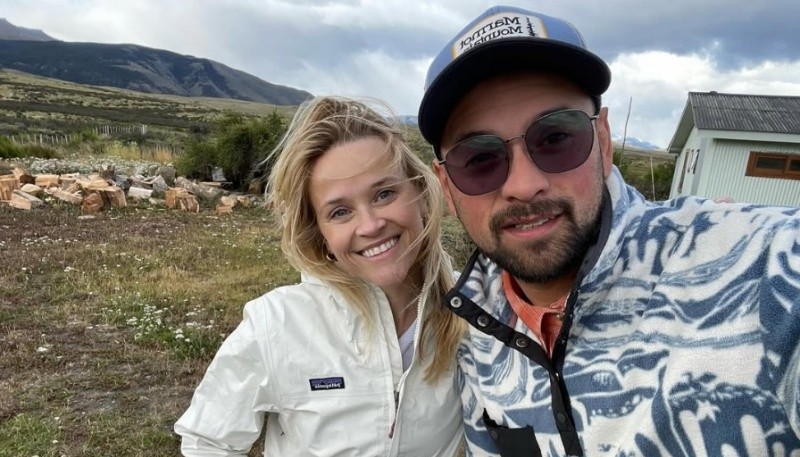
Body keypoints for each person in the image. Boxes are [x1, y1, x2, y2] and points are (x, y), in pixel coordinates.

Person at [417, 5, 800, 456]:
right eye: (479, 159)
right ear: (446, 184)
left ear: (602, 139)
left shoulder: (764, 268)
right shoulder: (473, 335)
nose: (523, 185)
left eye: (556, 137)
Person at [174, 96, 465, 456]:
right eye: (340, 212)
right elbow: (207, 442)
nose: (371, 225)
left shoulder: (475, 312)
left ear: (420, 194)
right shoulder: (276, 324)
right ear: (320, 233)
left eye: (385, 193)